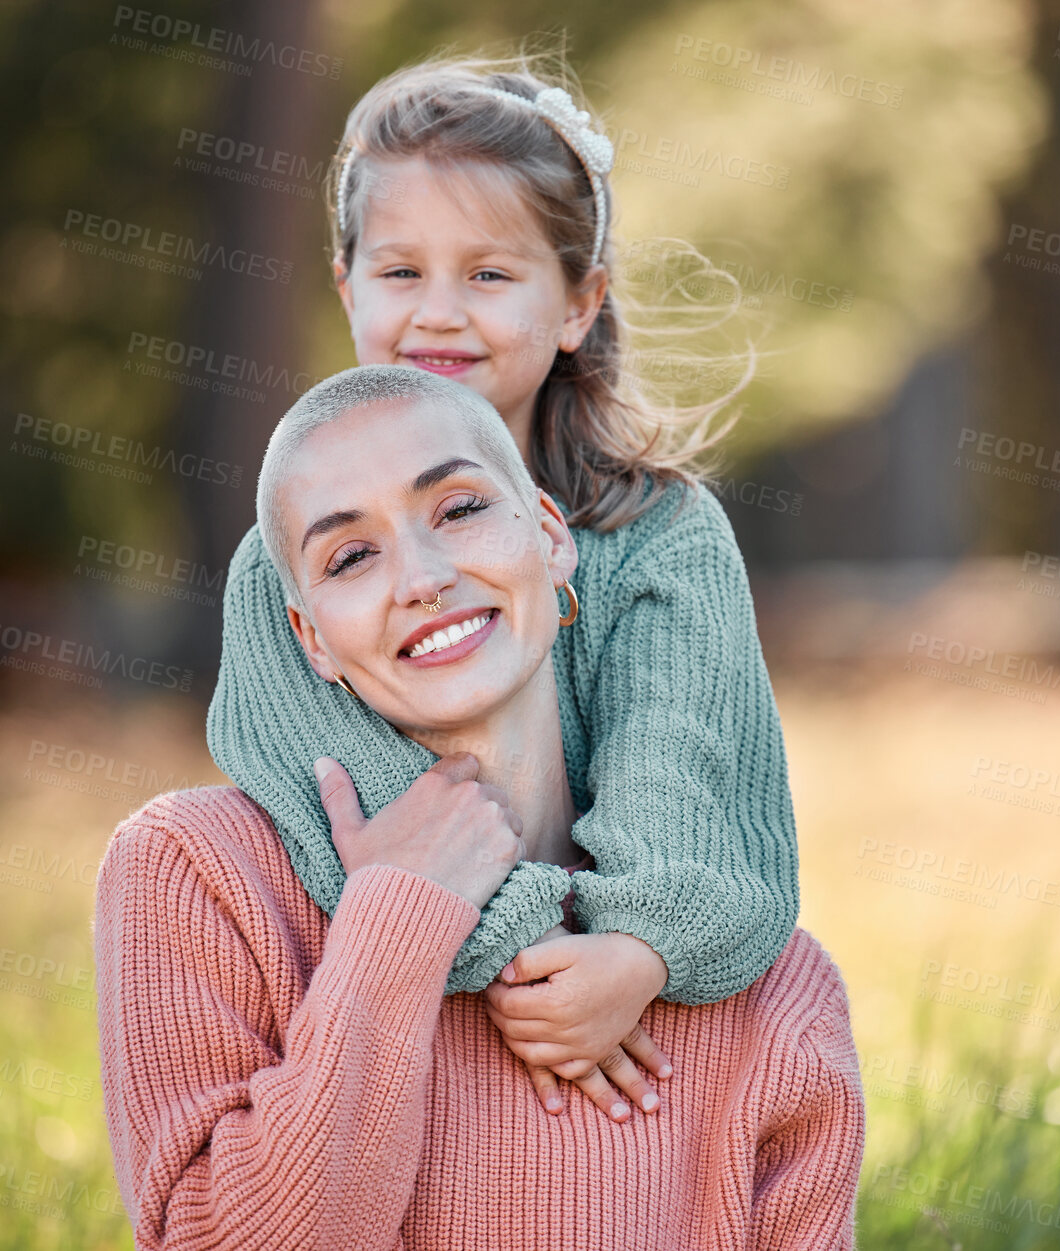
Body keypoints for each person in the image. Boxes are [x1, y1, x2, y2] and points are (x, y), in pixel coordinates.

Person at [96, 365, 865, 1249]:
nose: (420, 578)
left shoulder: (770, 989)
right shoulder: (196, 870)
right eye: (350, 556)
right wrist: (400, 914)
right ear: (311, 637)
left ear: (548, 535)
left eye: (458, 509)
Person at [208, 48, 802, 1123]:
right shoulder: (289, 557)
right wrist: (524, 948)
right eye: (399, 273)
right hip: (401, 995)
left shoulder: (656, 533)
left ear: (578, 302)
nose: (438, 313)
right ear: (347, 290)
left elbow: (686, 758)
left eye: (488, 275)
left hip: (622, 994)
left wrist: (633, 951)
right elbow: (329, 779)